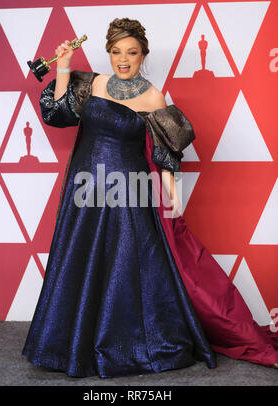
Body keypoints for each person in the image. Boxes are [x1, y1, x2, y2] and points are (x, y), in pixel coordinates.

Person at [22, 18, 278, 378]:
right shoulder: (92, 83)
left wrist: (175, 196)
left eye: (131, 53)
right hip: (84, 191)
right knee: (81, 264)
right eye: (116, 52)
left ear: (144, 55)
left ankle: (133, 346)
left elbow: (166, 153)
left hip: (130, 191)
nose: (122, 60)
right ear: (108, 53)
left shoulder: (153, 96)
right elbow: (58, 115)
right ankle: (73, 342)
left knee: (128, 267)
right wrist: (63, 67)